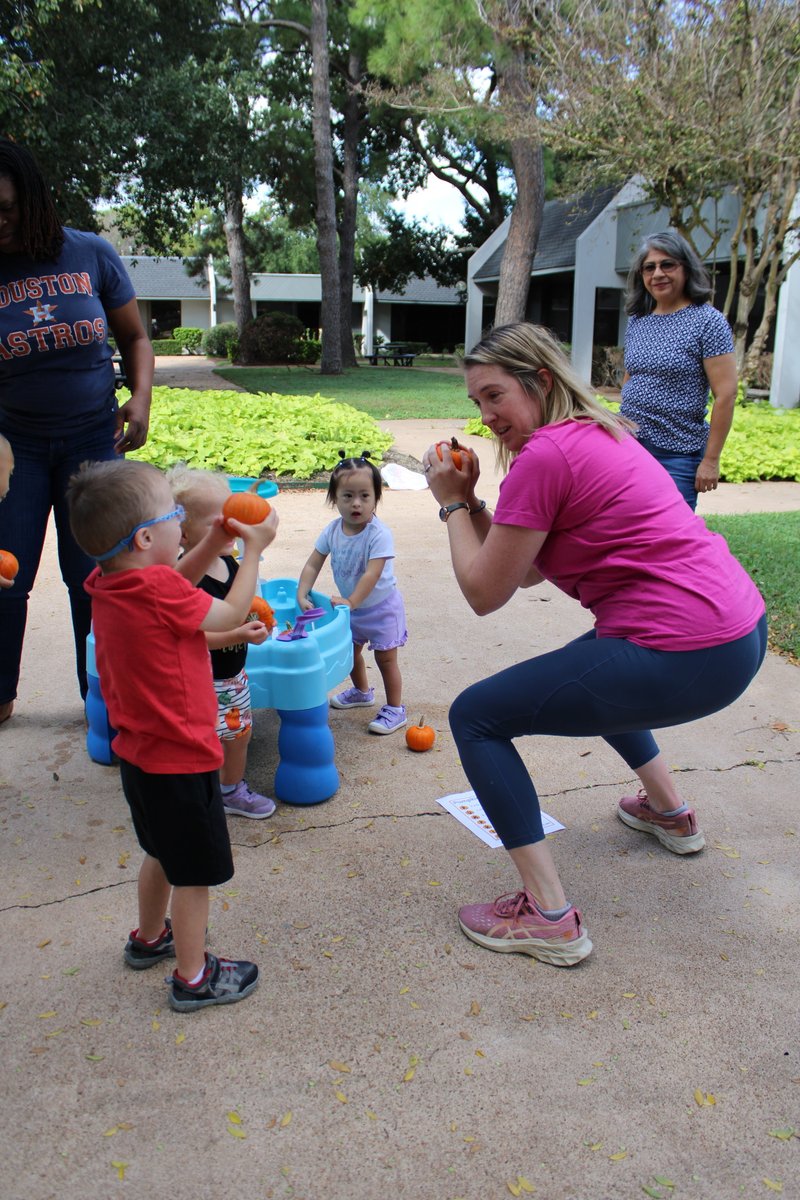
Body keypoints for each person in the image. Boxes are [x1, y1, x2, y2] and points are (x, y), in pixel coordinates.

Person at [422, 322, 766, 968]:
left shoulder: (544, 457)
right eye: (476, 402)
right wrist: (472, 500)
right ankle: (669, 811)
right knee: (595, 664)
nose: (486, 416)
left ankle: (548, 914)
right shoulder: (600, 432)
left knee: (475, 716)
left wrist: (450, 506)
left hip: (683, 651)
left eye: (495, 396)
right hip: (740, 632)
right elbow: (525, 568)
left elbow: (484, 592)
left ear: (539, 380)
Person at [67, 458, 279, 1011]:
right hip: (182, 759)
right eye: (174, 516)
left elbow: (173, 582)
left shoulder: (112, 583)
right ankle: (193, 977)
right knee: (193, 876)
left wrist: (212, 541)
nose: (181, 523)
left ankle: (148, 938)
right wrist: (253, 550)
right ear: (145, 538)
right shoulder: (156, 589)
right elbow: (229, 611)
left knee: (160, 851)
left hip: (141, 758)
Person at [0, 137, 154, 726]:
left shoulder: (89, 252)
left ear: (33, 199)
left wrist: (140, 399)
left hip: (93, 440)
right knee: (6, 570)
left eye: (6, 208)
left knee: (96, 575)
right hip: (13, 447)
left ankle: (103, 699)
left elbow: (135, 337)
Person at [167, 465, 276, 820]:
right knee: (201, 742)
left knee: (239, 736)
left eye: (232, 514)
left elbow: (242, 607)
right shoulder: (187, 578)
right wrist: (237, 634)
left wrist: (258, 622)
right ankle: (199, 795)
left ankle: (231, 790)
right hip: (199, 680)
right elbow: (191, 638)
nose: (232, 524)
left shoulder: (230, 563)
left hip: (232, 676)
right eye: (219, 520)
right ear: (183, 533)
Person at [620, 229, 738, 511]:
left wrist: (711, 461)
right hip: (631, 446)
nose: (658, 273)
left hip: (677, 453)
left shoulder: (708, 321)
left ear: (686, 268)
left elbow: (727, 394)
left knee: (671, 530)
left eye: (667, 265)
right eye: (649, 267)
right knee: (627, 525)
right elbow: (631, 375)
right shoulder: (638, 320)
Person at [297, 450, 408, 736]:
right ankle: (362, 691)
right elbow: (313, 563)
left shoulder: (378, 534)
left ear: (376, 498)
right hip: (351, 608)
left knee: (386, 659)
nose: (356, 503)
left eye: (364, 496)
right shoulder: (332, 531)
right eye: (347, 496)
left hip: (382, 609)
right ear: (334, 499)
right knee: (350, 653)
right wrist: (302, 592)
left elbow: (372, 574)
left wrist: (351, 601)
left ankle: (395, 708)